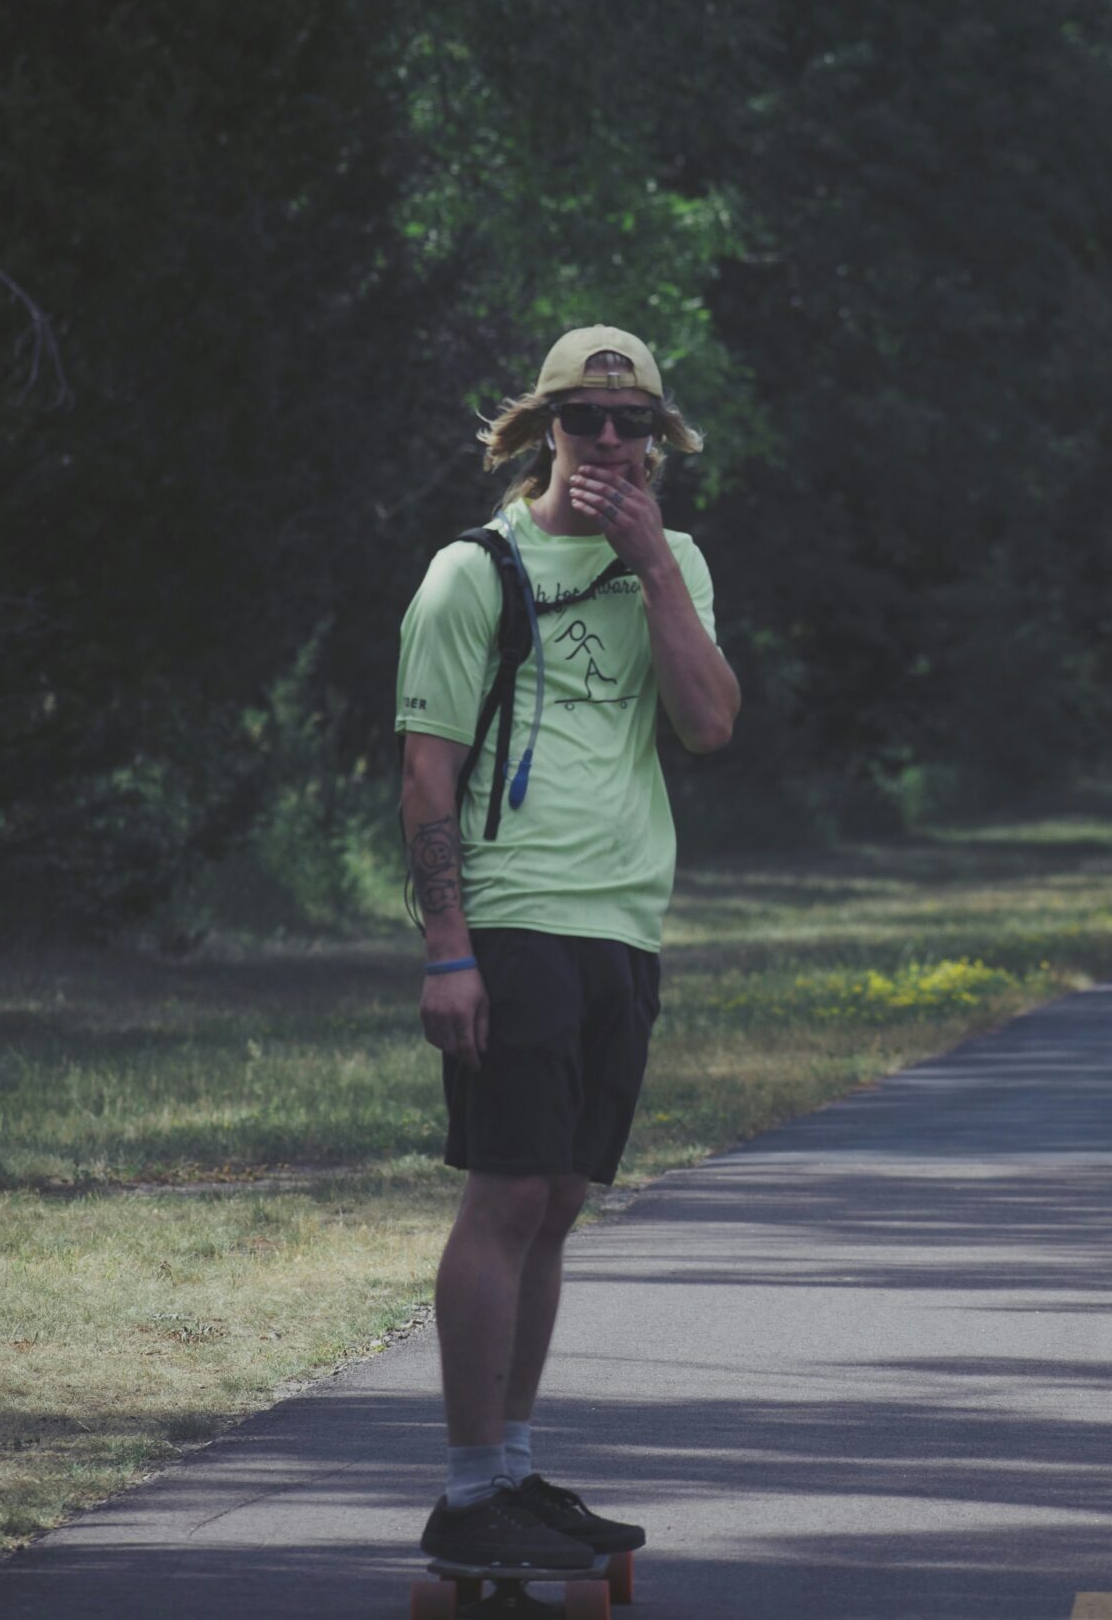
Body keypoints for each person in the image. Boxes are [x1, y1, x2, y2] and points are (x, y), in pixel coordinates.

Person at [395, 325, 740, 1570]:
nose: (608, 442)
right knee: (506, 1193)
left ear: (659, 442)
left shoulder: (676, 562)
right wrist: (448, 952)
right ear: (545, 426)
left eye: (631, 424)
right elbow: (426, 780)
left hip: (620, 922)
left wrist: (652, 566)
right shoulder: (473, 572)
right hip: (513, 913)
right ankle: (465, 1487)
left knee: (558, 1204)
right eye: (585, 421)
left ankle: (514, 1471)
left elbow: (707, 724)